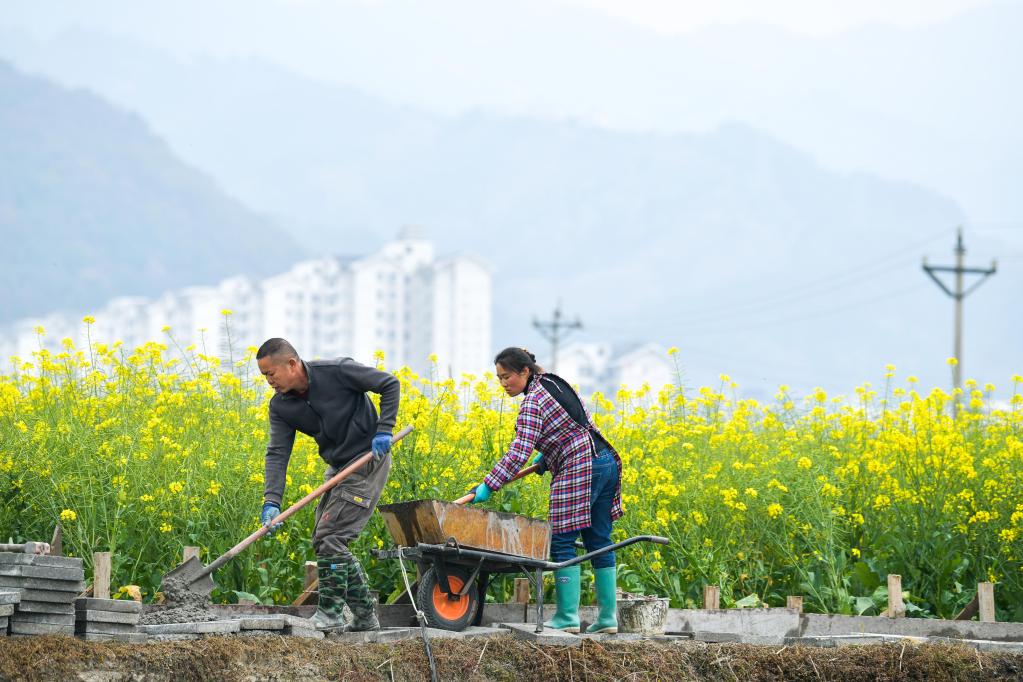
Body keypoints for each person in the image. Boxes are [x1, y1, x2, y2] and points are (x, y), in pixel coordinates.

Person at [473, 347, 623, 634]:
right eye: (499, 378)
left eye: (507, 377)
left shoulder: (532, 402)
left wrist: (488, 485)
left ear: (524, 371)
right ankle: (607, 619)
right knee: (599, 541)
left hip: (581, 466)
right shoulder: (554, 382)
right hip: (604, 460)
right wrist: (549, 456)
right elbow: (576, 423)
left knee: (563, 540)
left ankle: (567, 617)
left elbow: (519, 452)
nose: (503, 383)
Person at [256, 338, 400, 632]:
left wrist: (384, 429)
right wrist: (272, 501)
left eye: (271, 374)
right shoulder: (282, 406)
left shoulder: (337, 372)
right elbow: (277, 452)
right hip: (338, 467)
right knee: (324, 540)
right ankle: (364, 616)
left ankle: (332, 614)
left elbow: (389, 383)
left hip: (368, 459)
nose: (269, 381)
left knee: (331, 535)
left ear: (292, 364)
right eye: (264, 376)